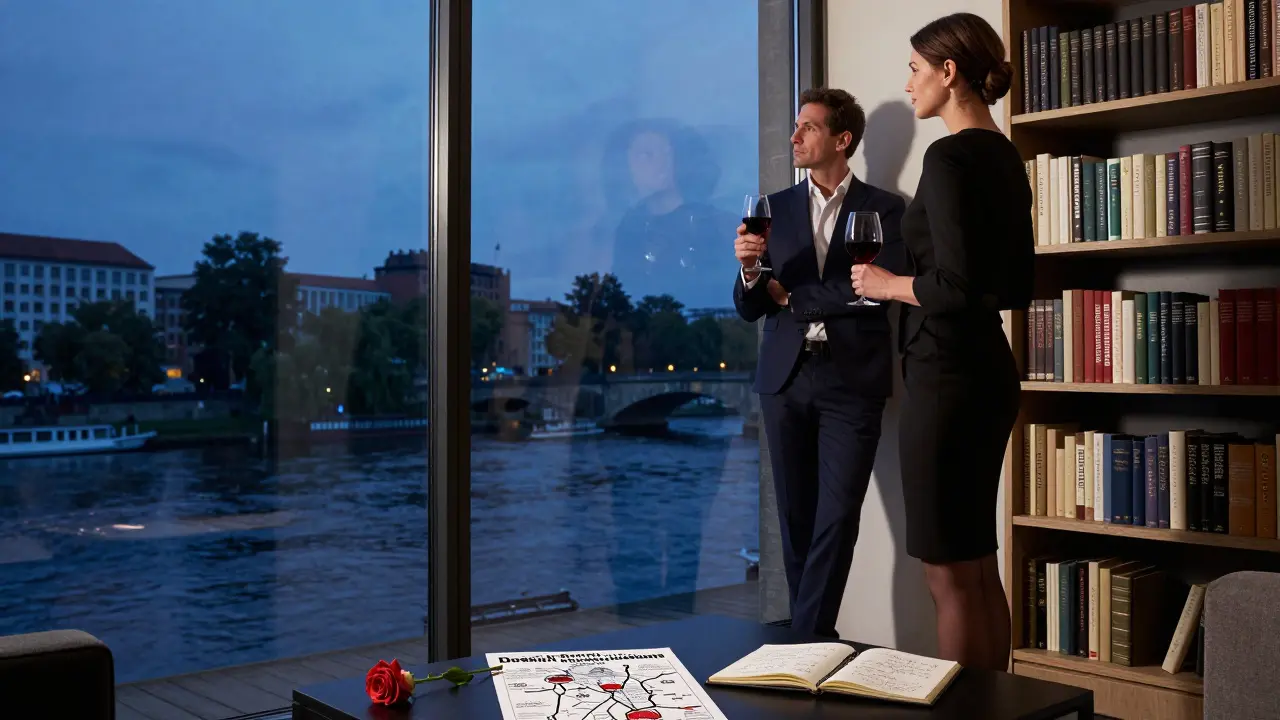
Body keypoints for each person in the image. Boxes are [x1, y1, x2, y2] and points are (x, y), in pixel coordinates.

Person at [850, 12, 1033, 671]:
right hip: (988, 373)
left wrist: (886, 283)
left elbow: (952, 286)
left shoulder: (950, 154)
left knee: (948, 576)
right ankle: (1004, 709)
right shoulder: (1006, 155)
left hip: (946, 376)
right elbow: (1010, 282)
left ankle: (966, 712)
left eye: (916, 69)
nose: (908, 84)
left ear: (948, 73)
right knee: (978, 566)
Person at [733, 88, 907, 639]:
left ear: (841, 139)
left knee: (837, 517)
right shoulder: (773, 208)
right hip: (784, 379)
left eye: (807, 127)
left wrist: (795, 296)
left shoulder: (885, 209)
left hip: (852, 380)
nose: (794, 137)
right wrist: (750, 273)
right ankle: (815, 642)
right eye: (795, 125)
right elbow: (748, 307)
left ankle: (804, 643)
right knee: (796, 521)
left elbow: (875, 292)